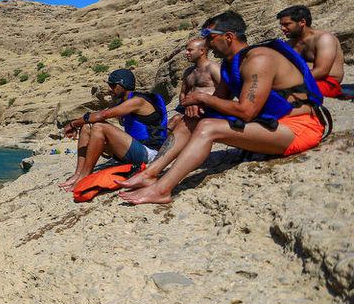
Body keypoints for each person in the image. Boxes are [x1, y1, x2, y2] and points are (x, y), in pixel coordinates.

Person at [119, 11, 328, 205]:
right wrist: (197, 107)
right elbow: (219, 101)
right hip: (269, 125)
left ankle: (162, 190)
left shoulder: (259, 59)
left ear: (228, 37)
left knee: (208, 127)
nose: (207, 45)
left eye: (210, 37)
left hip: (299, 129)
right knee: (190, 120)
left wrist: (202, 97)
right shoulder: (231, 64)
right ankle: (150, 173)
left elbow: (246, 111)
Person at [57, 69, 167, 191]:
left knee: (99, 126)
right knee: (87, 126)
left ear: (123, 85)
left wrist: (73, 123)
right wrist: (80, 124)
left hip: (149, 153)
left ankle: (84, 177)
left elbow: (103, 115)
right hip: (135, 150)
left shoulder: (137, 101)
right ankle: (78, 174)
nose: (109, 89)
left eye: (112, 85)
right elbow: (95, 116)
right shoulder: (123, 103)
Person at [278, 5, 345, 98]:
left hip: (327, 83)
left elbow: (322, 71)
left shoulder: (324, 39)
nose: (282, 28)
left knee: (283, 92)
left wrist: (289, 80)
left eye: (286, 24)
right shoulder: (290, 44)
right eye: (281, 25)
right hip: (304, 80)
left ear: (302, 22)